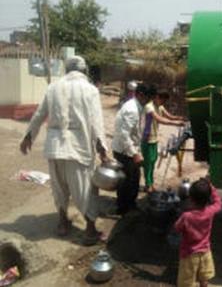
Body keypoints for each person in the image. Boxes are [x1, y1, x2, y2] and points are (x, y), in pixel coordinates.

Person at [20, 55, 108, 245]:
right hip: (79, 149)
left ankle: (62, 223)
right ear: (84, 70)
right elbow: (96, 121)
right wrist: (102, 147)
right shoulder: (90, 90)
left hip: (55, 147)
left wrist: (28, 137)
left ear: (66, 70)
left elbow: (39, 114)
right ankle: (91, 230)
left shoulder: (53, 88)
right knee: (85, 190)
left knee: (59, 187)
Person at [174, 178, 222, 287]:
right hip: (205, 252)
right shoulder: (210, 211)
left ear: (190, 198)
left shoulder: (186, 216)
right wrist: (212, 188)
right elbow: (219, 203)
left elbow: (177, 228)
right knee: (203, 277)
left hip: (189, 254)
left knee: (187, 282)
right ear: (208, 199)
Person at [111, 84, 148, 214]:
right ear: (140, 95)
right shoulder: (132, 109)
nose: (148, 101)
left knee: (132, 178)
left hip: (128, 148)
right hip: (124, 151)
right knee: (126, 180)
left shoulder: (137, 105)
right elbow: (124, 134)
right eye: (147, 98)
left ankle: (129, 204)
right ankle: (123, 207)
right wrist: (134, 153)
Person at [141, 85, 184, 192]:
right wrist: (176, 123)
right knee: (148, 162)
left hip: (154, 138)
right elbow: (159, 119)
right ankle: (148, 184)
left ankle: (150, 183)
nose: (162, 103)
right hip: (147, 138)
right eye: (162, 100)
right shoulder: (149, 107)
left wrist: (179, 118)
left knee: (153, 160)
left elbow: (168, 116)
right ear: (156, 97)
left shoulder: (159, 106)